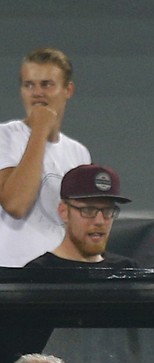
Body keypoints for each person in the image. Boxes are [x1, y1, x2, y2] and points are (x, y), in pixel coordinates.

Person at [0, 47, 91, 267]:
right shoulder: (5, 137)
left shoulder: (79, 153)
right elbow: (16, 205)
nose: (36, 92)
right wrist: (40, 129)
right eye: (28, 85)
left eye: (46, 84)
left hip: (61, 273)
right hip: (13, 273)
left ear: (68, 90)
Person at [25, 163, 138, 268]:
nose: (100, 221)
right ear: (63, 211)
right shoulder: (39, 274)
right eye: (88, 210)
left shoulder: (127, 270)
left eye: (108, 210)